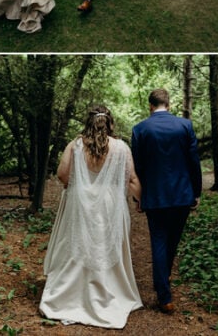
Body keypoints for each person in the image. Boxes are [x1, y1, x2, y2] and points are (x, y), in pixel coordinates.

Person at [40, 105, 143, 328]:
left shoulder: (75, 145)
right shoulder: (121, 148)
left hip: (80, 203)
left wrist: (77, 184)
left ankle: (73, 293)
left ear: (88, 122)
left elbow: (62, 175)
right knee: (106, 245)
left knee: (79, 245)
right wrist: (139, 201)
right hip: (110, 204)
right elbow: (132, 179)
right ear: (110, 122)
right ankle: (106, 291)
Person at [131, 88, 202, 314]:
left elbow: (138, 166)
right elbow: (194, 162)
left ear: (150, 106)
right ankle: (164, 284)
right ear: (168, 105)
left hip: (155, 196)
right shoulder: (185, 126)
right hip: (182, 195)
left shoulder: (140, 129)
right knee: (172, 241)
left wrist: (138, 196)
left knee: (159, 241)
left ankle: (164, 293)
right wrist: (196, 192)